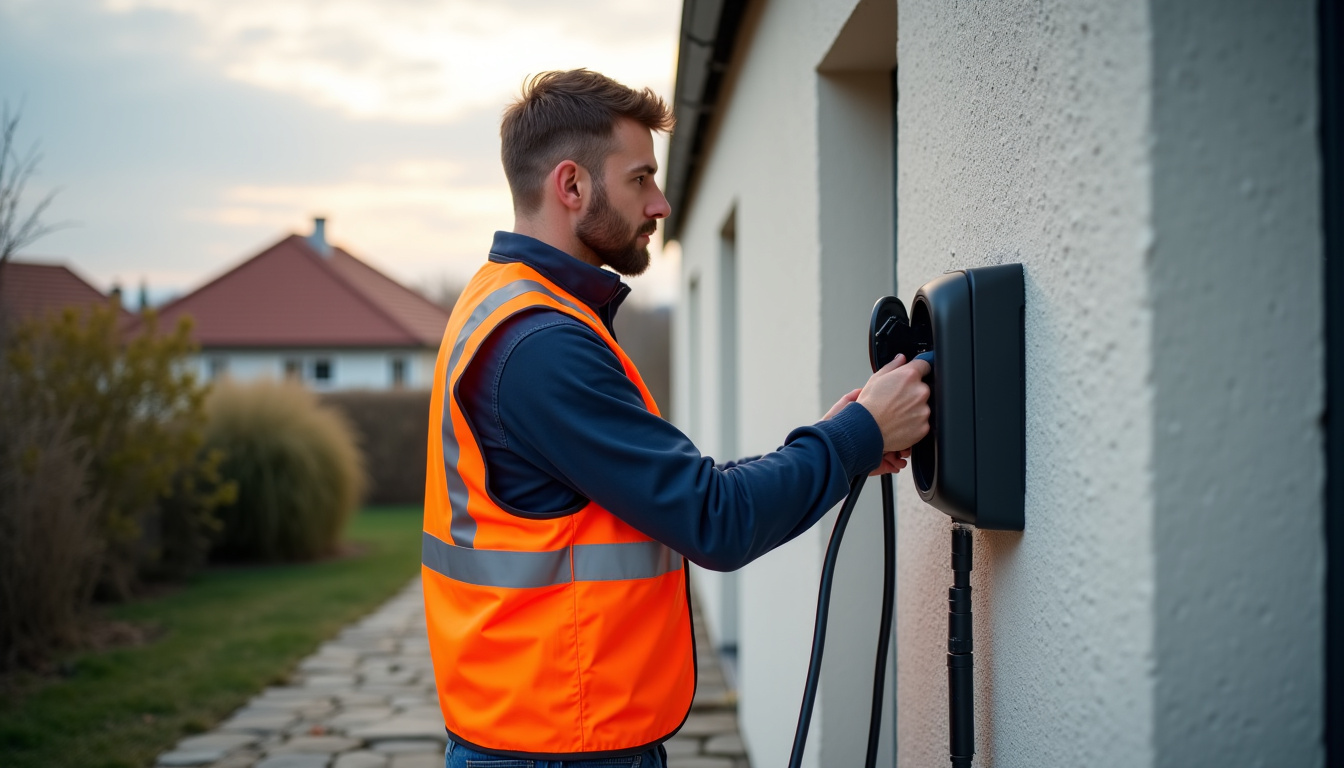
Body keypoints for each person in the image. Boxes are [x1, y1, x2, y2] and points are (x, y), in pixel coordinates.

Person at [424, 69, 931, 768]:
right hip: (558, 749)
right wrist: (856, 435)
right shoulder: (543, 348)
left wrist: (843, 438)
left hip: (539, 733)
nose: (659, 203)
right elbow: (712, 517)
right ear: (571, 187)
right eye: (640, 179)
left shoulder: (507, 307)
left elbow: (680, 488)